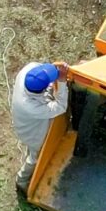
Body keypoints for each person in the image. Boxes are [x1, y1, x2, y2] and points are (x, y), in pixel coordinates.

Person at [10, 60, 70, 194]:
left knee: (32, 152)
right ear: (42, 89)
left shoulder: (29, 69)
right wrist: (61, 80)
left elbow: (44, 67)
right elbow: (60, 107)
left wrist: (56, 69)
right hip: (31, 132)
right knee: (35, 156)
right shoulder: (30, 106)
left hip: (30, 119)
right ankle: (21, 180)